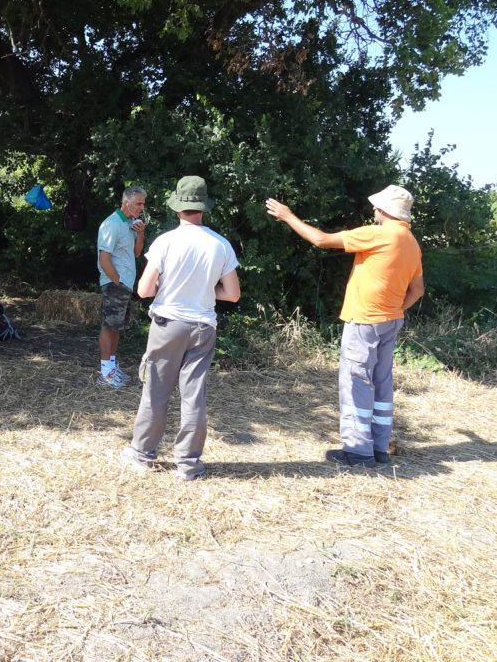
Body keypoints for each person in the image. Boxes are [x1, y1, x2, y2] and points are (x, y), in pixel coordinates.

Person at [265, 185, 424, 468]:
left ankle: (358, 452)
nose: (373, 210)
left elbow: (321, 240)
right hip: (390, 321)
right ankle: (378, 448)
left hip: (364, 320)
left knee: (355, 382)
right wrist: (396, 309)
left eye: (377, 207)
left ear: (386, 210)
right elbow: (418, 290)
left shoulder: (377, 234)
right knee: (381, 382)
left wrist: (288, 216)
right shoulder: (411, 242)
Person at [120, 176, 241, 481]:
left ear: (177, 207)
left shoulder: (165, 241)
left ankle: (142, 455)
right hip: (203, 327)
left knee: (156, 391)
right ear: (203, 208)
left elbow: (145, 290)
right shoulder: (220, 244)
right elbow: (233, 294)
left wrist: (170, 286)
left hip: (167, 324)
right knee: (194, 396)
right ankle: (188, 464)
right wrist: (202, 289)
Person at [96, 185, 147, 387]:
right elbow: (104, 258)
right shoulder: (112, 224)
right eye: (139, 203)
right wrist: (117, 281)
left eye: (143, 203)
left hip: (125, 285)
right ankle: (105, 373)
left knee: (116, 327)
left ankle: (112, 367)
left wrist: (141, 234)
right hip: (115, 284)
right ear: (126, 202)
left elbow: (136, 253)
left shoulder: (130, 223)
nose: (142, 207)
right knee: (109, 326)